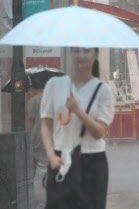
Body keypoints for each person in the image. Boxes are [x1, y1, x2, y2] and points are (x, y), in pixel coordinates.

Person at [41, 47, 115, 209]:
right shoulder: (54, 85)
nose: (81, 56)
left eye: (86, 51)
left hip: (92, 162)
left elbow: (99, 132)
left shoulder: (104, 91)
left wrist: (78, 111)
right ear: (70, 54)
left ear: (96, 55)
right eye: (76, 51)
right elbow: (46, 123)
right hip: (60, 160)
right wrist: (51, 155)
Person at [28, 79, 49, 176]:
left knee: (33, 161)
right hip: (49, 133)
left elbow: (31, 121)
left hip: (36, 134)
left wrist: (27, 134)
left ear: (32, 89)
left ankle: (30, 182)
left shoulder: (32, 101)